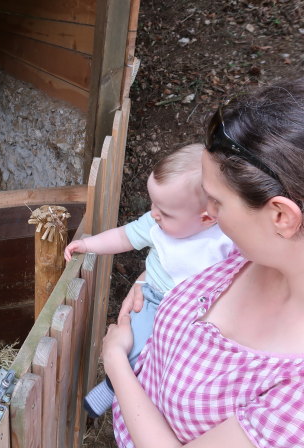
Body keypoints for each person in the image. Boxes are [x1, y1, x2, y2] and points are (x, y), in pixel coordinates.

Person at [105, 77, 304, 447]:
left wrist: (115, 361)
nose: (207, 214)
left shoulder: (296, 399)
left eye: (217, 202)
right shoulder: (247, 251)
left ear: (281, 216)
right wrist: (148, 275)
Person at [64, 143, 234, 418]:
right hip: (154, 299)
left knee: (174, 363)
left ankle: (156, 397)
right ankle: (111, 386)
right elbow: (123, 237)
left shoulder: (224, 238)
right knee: (136, 343)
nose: (153, 213)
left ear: (206, 217)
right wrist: (87, 244)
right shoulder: (156, 226)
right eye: (153, 203)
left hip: (199, 314)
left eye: (164, 211)